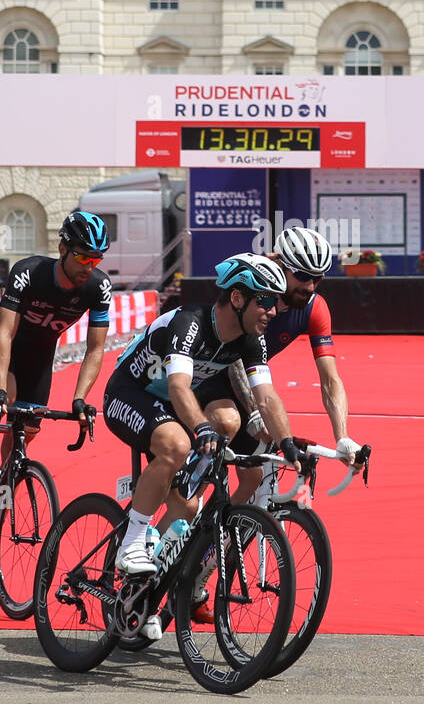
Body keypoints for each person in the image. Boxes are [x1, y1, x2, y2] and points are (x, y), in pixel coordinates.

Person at [101, 253, 304, 625]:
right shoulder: (190, 322)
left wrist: (287, 443)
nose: (274, 310)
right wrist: (200, 429)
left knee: (190, 501)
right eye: (265, 300)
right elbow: (178, 386)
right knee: (176, 444)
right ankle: (132, 540)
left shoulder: (249, 339)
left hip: (172, 403)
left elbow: (266, 396)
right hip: (130, 393)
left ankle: (147, 588)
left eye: (276, 301)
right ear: (238, 298)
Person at [0, 211, 112, 523]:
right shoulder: (29, 272)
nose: (88, 267)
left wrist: (80, 398)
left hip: (40, 353)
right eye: (82, 257)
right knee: (4, 398)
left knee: (30, 425)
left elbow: (95, 349)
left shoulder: (98, 287)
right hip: (4, 341)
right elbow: (4, 332)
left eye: (97, 259)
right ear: (63, 249)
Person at [195, 227, 363, 504]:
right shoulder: (254, 292)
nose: (310, 287)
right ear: (280, 266)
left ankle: (211, 542)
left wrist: (342, 436)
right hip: (209, 375)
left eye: (317, 278)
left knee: (254, 478)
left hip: (252, 381)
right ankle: (186, 510)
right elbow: (235, 360)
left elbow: (330, 379)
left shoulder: (314, 307)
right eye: (303, 276)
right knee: (229, 424)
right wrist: (256, 413)